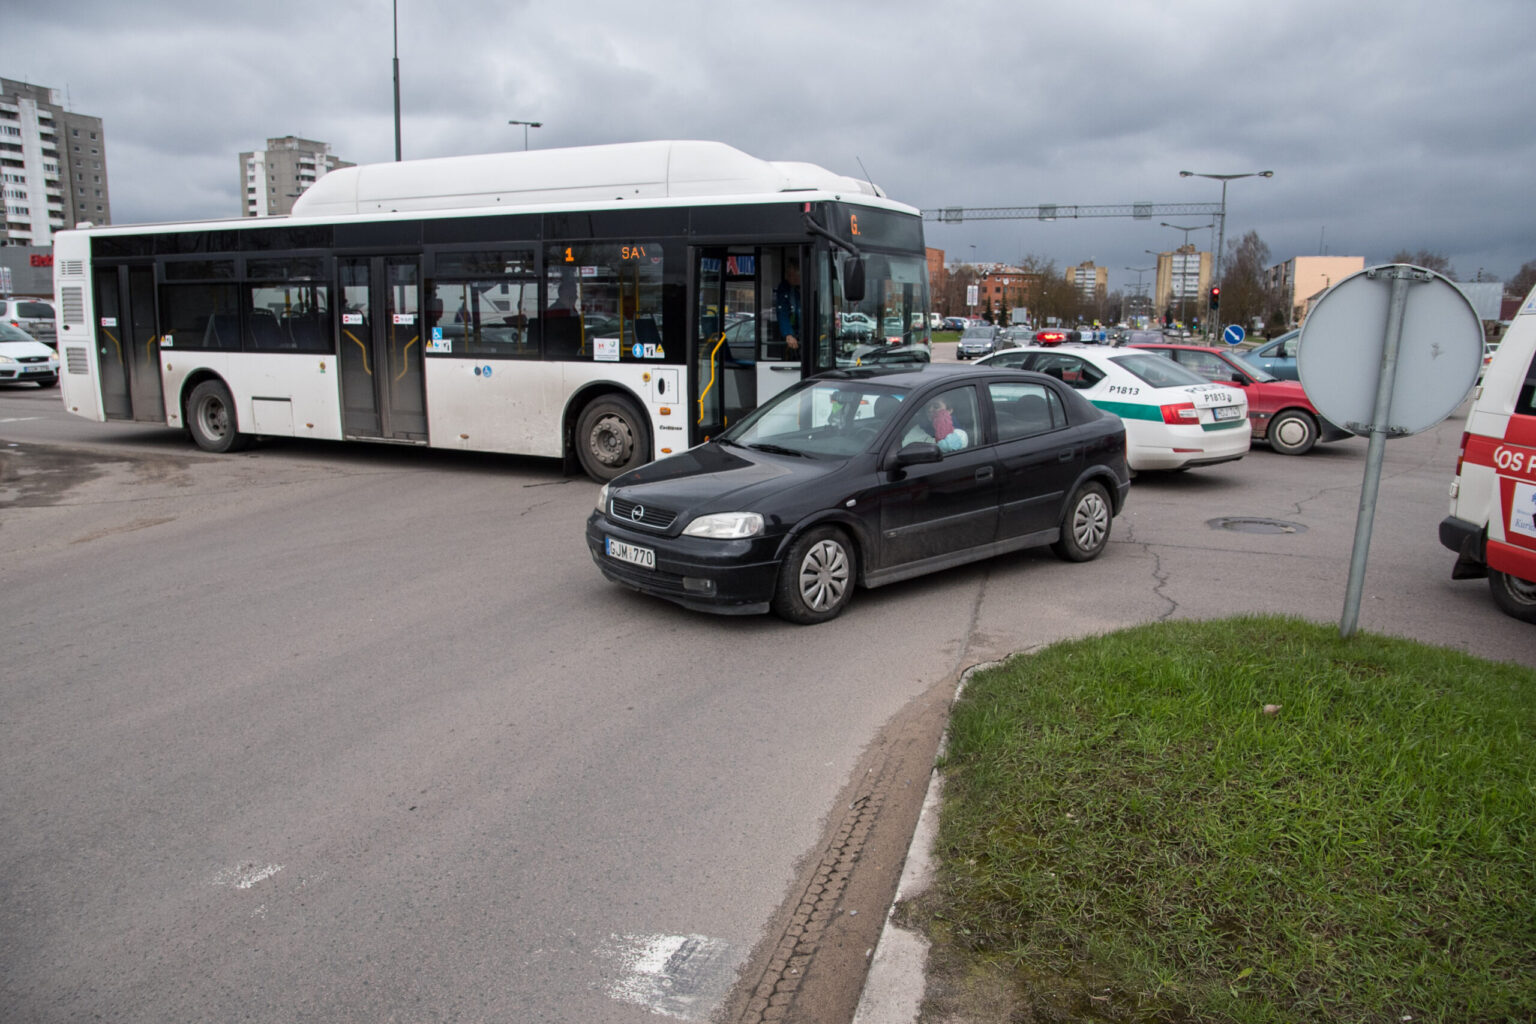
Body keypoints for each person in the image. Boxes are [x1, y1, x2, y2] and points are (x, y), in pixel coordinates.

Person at [774, 256, 801, 356]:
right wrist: (788, 334)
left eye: (791, 275)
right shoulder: (785, 289)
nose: (788, 278)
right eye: (788, 274)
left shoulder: (805, 288)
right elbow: (782, 312)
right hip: (793, 336)